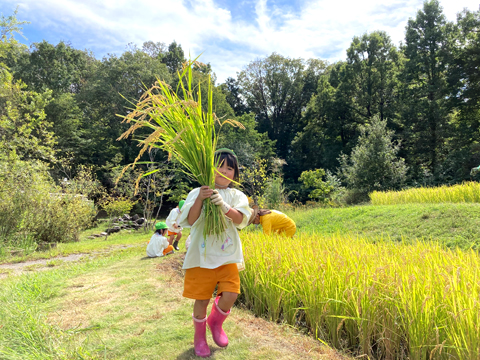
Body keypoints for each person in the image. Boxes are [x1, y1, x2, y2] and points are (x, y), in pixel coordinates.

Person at [177, 148, 251, 358]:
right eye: (220, 166)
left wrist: (225, 206)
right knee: (201, 299)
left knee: (231, 294)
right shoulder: (199, 191)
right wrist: (201, 198)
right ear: (210, 168)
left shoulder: (237, 195)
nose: (225, 171)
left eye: (230, 168)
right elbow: (191, 221)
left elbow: (240, 220)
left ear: (235, 175)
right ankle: (199, 337)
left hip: (227, 255)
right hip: (201, 257)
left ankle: (215, 322)